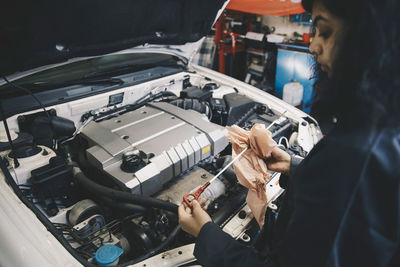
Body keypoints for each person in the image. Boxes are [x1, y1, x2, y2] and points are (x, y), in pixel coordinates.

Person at [178, 0, 400, 266]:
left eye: (325, 31)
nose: (313, 46)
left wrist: (206, 234)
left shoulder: (358, 155)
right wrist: (295, 167)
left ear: (372, 38)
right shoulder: (381, 124)